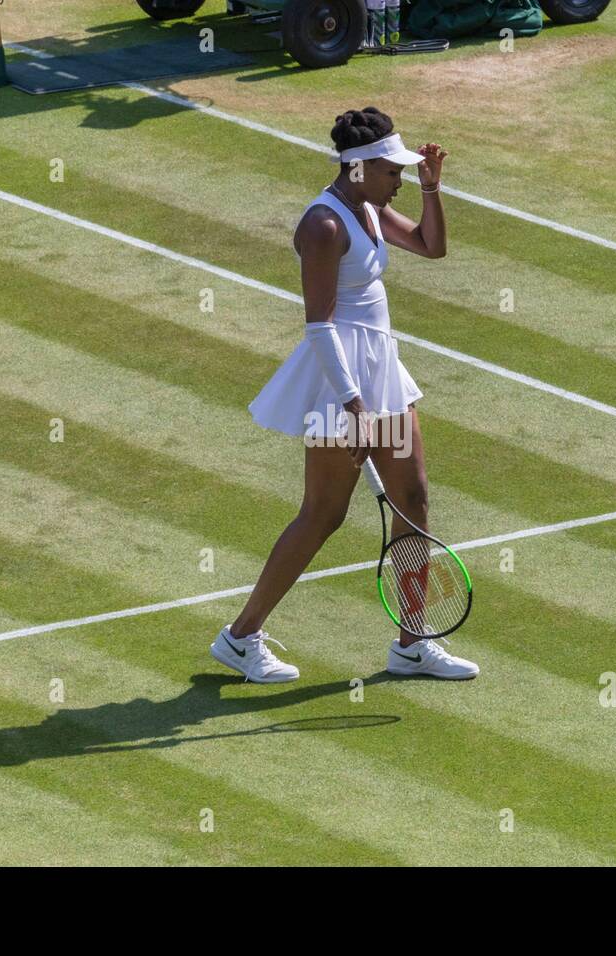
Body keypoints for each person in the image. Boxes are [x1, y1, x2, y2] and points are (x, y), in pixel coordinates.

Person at [210, 106, 479, 684]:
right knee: (323, 514)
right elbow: (319, 325)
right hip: (343, 383)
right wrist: (353, 404)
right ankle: (241, 636)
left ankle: (412, 643)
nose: (399, 178)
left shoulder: (373, 207)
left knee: (415, 500)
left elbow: (433, 247)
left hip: (383, 369)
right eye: (392, 171)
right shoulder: (324, 226)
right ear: (358, 169)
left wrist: (432, 189)